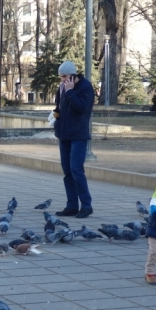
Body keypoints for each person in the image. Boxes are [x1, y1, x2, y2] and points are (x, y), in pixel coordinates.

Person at [52, 61, 95, 219]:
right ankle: (71, 205)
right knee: (67, 171)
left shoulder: (85, 87)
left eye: (64, 77)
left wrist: (70, 92)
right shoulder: (62, 87)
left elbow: (82, 108)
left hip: (78, 134)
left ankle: (86, 205)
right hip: (64, 135)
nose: (62, 80)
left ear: (73, 75)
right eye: (61, 77)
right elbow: (59, 105)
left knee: (77, 169)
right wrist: (56, 118)